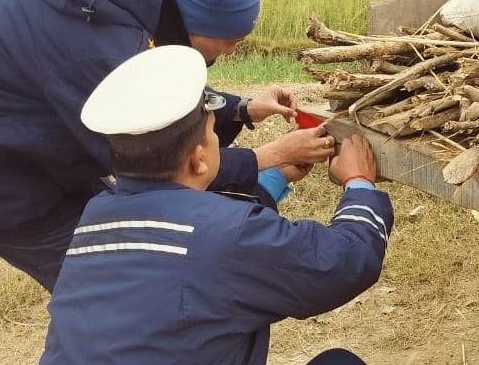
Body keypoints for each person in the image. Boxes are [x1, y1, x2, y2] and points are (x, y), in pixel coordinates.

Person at [0, 0, 335, 291]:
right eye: (229, 41)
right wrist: (268, 157)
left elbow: (161, 98)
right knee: (108, 283)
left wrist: (241, 110)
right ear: (197, 24)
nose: (230, 52)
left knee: (130, 244)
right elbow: (155, 163)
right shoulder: (107, 50)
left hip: (31, 140)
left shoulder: (148, 2)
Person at [40, 45, 393, 364]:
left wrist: (275, 177)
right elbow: (341, 264)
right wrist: (358, 182)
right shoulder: (226, 234)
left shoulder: (95, 216)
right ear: (198, 159)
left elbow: (201, 232)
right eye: (212, 133)